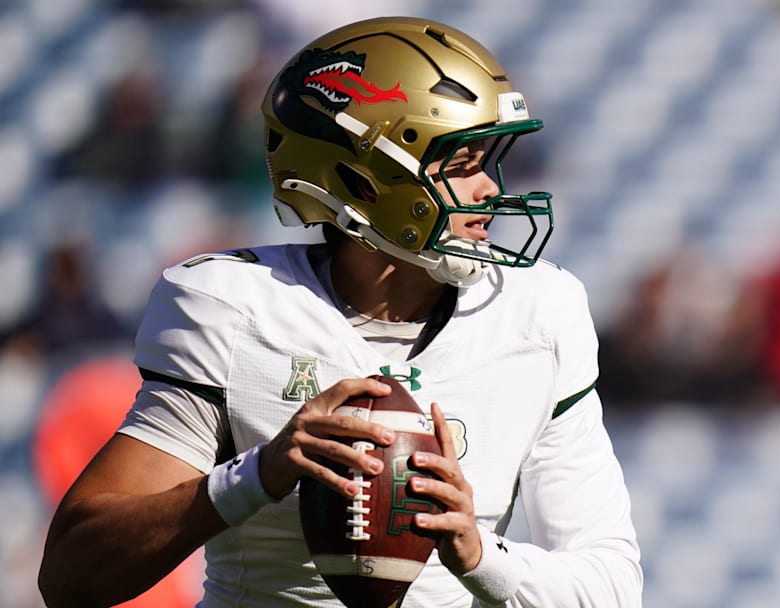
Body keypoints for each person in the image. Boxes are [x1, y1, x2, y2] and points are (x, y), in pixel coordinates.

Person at [37, 16, 642, 608]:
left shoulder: (537, 316)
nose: (491, 189)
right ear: (366, 180)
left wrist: (482, 557)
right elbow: (71, 577)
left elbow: (611, 589)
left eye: (488, 160)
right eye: (461, 164)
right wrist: (256, 476)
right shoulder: (233, 310)